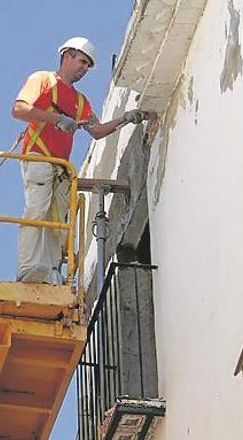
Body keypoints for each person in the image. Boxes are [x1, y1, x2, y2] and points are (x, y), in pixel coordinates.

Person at [11, 37, 145, 284]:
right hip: (38, 155)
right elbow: (19, 109)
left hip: (61, 167)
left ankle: (50, 273)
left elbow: (97, 131)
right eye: (82, 62)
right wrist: (57, 119)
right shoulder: (43, 80)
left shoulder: (80, 101)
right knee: (37, 209)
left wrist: (125, 118)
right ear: (67, 55)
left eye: (88, 66)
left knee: (57, 222)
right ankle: (29, 268)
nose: (84, 69)